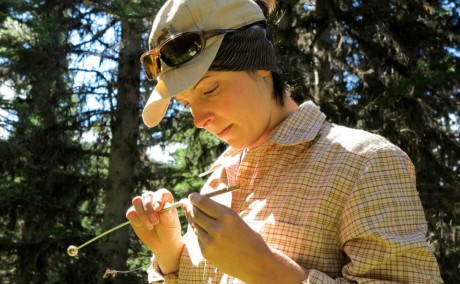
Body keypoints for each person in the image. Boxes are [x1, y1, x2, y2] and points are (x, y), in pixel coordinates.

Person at [126, 0, 443, 283]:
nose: (198, 119)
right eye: (185, 103)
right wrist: (170, 254)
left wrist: (267, 271)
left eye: (209, 90)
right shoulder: (217, 181)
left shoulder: (366, 163)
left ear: (259, 60)